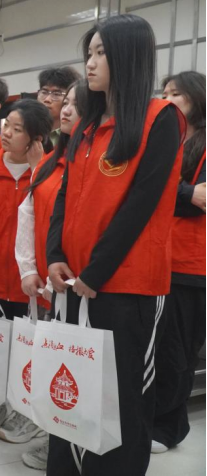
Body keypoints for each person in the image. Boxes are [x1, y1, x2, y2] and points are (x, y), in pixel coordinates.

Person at [47, 14, 184, 476]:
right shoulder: (87, 124)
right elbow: (65, 194)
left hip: (126, 288)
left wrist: (96, 273)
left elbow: (140, 206)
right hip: (73, 282)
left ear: (128, 55)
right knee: (68, 393)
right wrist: (55, 256)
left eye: (102, 52)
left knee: (122, 400)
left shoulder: (160, 119)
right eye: (89, 52)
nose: (90, 62)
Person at [0, 99, 53, 435]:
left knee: (27, 344)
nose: (7, 134)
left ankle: (25, 409)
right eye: (7, 126)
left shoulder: (48, 171)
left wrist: (37, 169)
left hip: (29, 276)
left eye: (17, 130)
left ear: (36, 139)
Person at [14, 82, 84, 469]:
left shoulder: (98, 162)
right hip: (47, 282)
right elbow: (28, 216)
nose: (68, 111)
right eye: (66, 104)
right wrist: (28, 267)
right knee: (52, 362)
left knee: (77, 368)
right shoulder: (50, 163)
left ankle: (70, 438)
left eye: (77, 104)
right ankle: (54, 433)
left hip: (83, 287)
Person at [152, 71, 207, 454]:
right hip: (157, 258)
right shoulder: (165, 140)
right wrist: (187, 193)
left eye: (178, 95)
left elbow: (194, 204)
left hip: (192, 265)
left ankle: (168, 427)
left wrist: (177, 194)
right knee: (154, 348)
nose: (168, 100)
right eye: (165, 93)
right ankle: (155, 418)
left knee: (177, 350)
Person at [36, 66, 81, 146]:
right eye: (44, 92)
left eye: (56, 94)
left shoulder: (77, 135)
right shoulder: (29, 131)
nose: (47, 99)